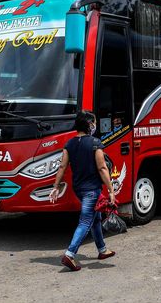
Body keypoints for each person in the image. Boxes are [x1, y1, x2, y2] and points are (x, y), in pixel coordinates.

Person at [49, 110, 116, 271]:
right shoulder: (95, 143)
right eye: (93, 122)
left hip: (78, 188)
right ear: (88, 125)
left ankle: (102, 250)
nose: (95, 125)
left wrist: (55, 187)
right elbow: (102, 167)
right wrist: (111, 190)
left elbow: (62, 167)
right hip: (91, 189)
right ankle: (70, 254)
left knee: (96, 217)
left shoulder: (69, 144)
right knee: (86, 221)